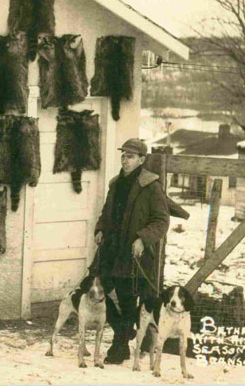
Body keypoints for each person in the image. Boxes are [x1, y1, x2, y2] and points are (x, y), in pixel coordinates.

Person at [92, 138, 170, 364]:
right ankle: (125, 332)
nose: (125, 160)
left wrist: (143, 239)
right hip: (110, 251)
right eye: (123, 155)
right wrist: (100, 228)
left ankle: (119, 347)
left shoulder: (151, 186)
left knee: (127, 300)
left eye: (131, 156)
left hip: (132, 254)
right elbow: (106, 213)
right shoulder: (116, 183)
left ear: (142, 160)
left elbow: (161, 221)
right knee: (96, 291)